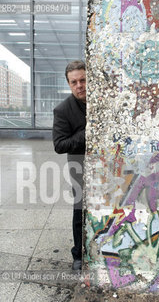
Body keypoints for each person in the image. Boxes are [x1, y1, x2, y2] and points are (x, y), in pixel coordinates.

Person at [52, 60, 86, 270]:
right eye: (74, 82)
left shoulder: (102, 100)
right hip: (79, 167)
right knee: (80, 210)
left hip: (107, 165)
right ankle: (78, 254)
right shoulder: (62, 110)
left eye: (83, 80)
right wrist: (84, 135)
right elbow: (59, 144)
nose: (79, 85)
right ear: (69, 84)